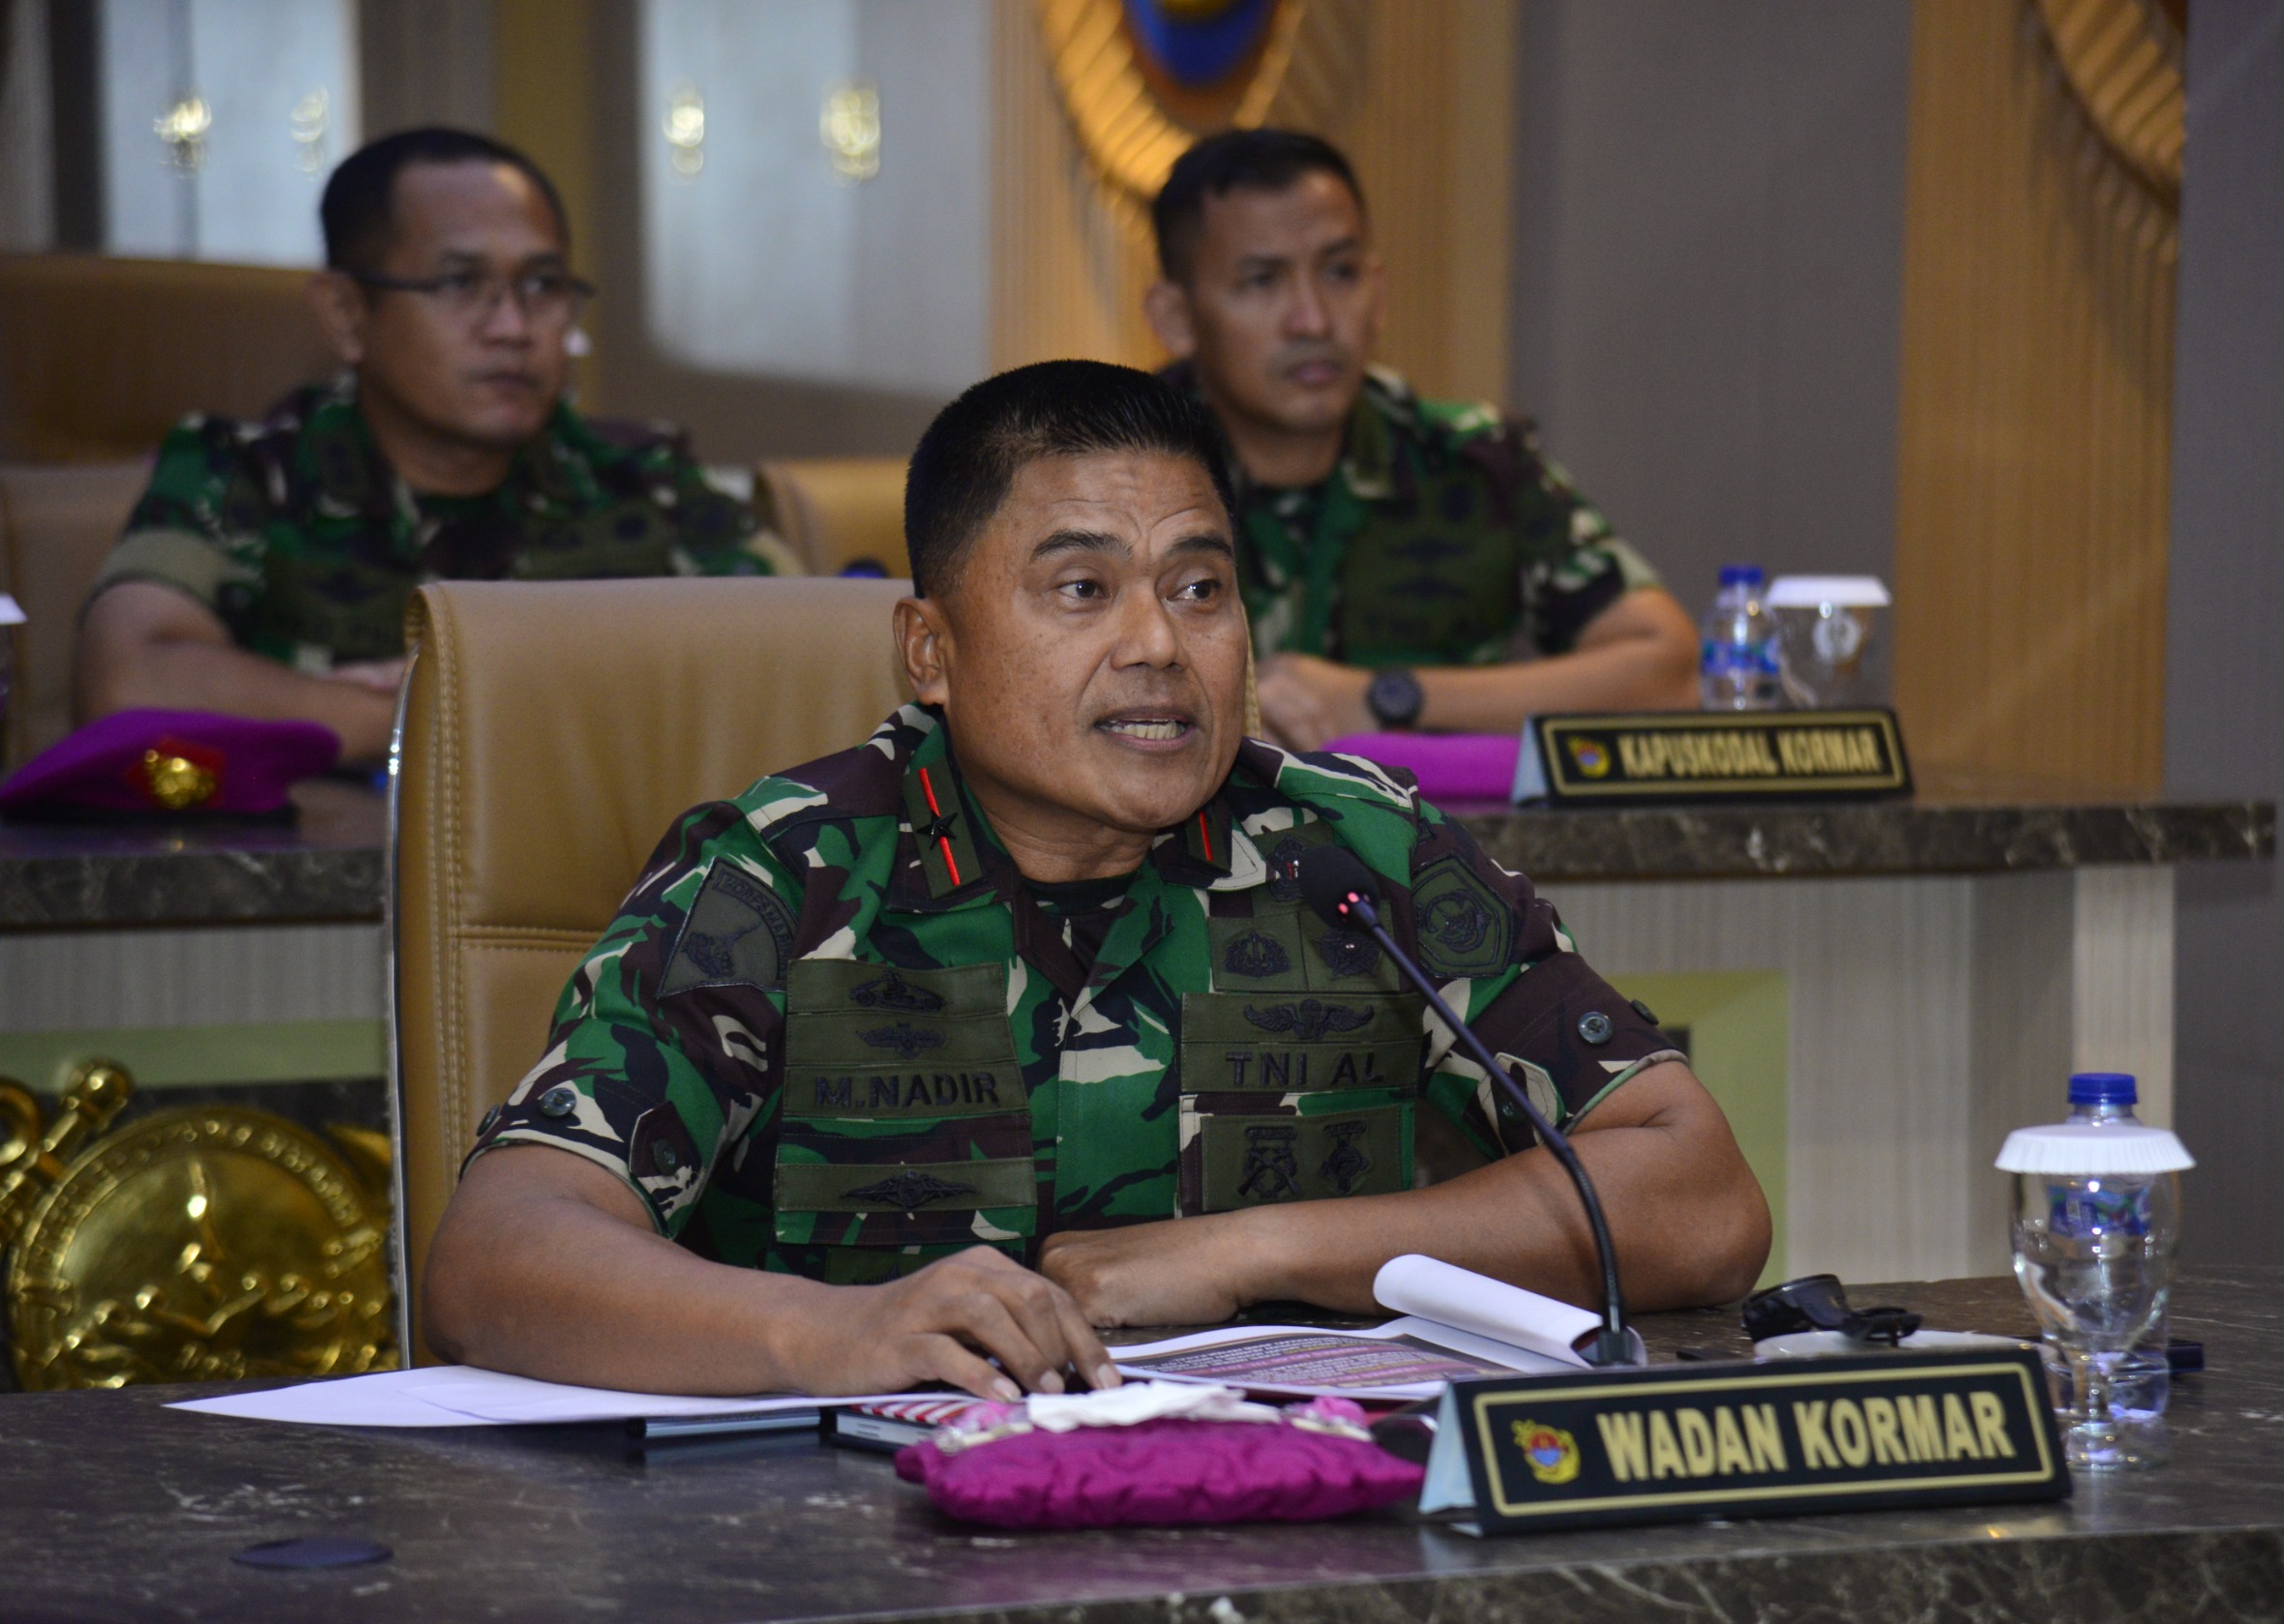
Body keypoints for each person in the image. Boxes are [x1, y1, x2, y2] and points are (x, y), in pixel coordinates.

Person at [422, 360, 1769, 1401]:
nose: (1159, 646)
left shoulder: (1359, 854)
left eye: (1199, 589)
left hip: (1286, 1523)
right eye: (1081, 589)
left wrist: (1258, 1250)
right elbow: (499, 1252)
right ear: (930, 650)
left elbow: (1698, 1200)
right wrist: (835, 1332)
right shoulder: (785, 878)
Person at [74, 128, 786, 768]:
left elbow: (816, 659)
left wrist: (362, 712)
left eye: (542, 285)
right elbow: (126, 683)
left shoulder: (642, 474)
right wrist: (462, 722)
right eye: (459, 283)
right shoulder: (245, 471)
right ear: (347, 315)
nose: (513, 327)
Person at [1143, 130, 1700, 751]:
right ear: (1176, 318)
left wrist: (1387, 698)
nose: (1313, 320)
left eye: (1340, 272)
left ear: (1378, 294)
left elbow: (1671, 670)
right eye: (1262, 281)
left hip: (1429, 817)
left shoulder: (1474, 460)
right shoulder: (1117, 474)